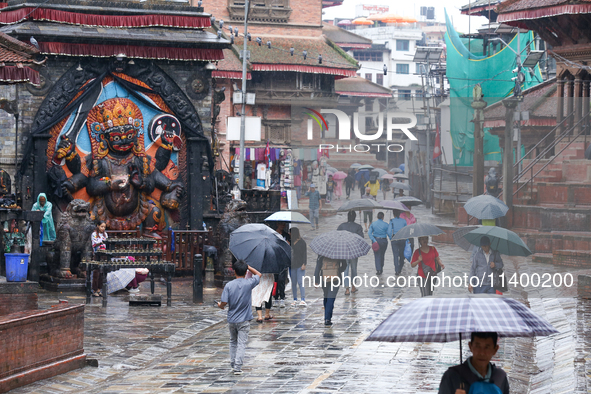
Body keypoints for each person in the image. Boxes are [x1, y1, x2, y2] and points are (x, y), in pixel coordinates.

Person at [218, 260, 261, 375]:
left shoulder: (229, 285)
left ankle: (233, 363)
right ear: (245, 271)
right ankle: (238, 366)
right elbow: (259, 275)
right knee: (241, 343)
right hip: (244, 319)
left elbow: (224, 302)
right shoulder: (249, 283)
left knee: (233, 341)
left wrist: (220, 306)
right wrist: (249, 267)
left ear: (234, 271)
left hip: (232, 319)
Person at [438, 332, 509, 394]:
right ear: (470, 346)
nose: (482, 353)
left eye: (487, 347)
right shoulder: (452, 376)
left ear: (495, 349)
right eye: (477, 346)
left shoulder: (500, 377)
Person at [314, 255, 347, 326]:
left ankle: (327, 316)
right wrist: (338, 270)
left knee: (326, 296)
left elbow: (318, 267)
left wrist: (315, 280)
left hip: (324, 279)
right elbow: (344, 265)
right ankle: (328, 318)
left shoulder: (321, 254)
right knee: (331, 298)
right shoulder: (339, 254)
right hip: (335, 279)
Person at [337, 210, 364, 295]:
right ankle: (353, 287)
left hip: (344, 251)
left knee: (345, 269)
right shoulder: (358, 227)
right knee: (353, 269)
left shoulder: (341, 226)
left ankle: (347, 289)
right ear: (355, 217)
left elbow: (336, 237)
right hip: (354, 251)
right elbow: (361, 239)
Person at [273, 222, 290, 308]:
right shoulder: (273, 235)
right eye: (281, 224)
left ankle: (282, 297)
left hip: (283, 261)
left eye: (284, 225)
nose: (283, 226)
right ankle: (276, 298)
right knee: (275, 280)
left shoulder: (286, 235)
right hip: (274, 260)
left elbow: (290, 248)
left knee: (282, 280)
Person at [90, 221, 108, 297]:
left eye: (104, 227)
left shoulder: (105, 234)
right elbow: (94, 244)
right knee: (96, 272)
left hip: (104, 255)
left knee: (102, 272)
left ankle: (99, 289)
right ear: (98, 226)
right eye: (101, 226)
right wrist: (100, 243)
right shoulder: (94, 234)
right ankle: (94, 289)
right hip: (97, 255)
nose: (103, 228)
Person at [387, 210, 407, 275]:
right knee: (401, 254)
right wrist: (407, 239)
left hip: (394, 238)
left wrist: (391, 238)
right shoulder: (404, 221)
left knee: (395, 255)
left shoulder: (392, 221)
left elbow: (389, 231)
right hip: (402, 238)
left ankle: (396, 270)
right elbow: (406, 230)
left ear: (393, 214)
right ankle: (400, 268)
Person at [290, 228, 307, 306]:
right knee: (293, 283)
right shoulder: (290, 242)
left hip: (300, 265)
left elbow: (304, 253)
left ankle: (303, 299)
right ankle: (295, 299)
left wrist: (304, 263)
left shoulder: (302, 242)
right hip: (292, 265)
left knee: (300, 282)